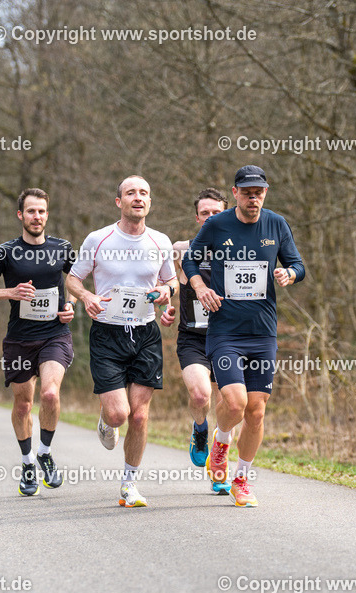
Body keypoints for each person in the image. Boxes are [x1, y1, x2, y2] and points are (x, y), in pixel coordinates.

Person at [182, 165, 306, 507]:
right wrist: (200, 287)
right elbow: (191, 259)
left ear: (265, 193)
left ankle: (242, 480)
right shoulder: (216, 224)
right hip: (225, 329)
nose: (254, 198)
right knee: (234, 402)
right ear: (234, 193)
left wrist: (289, 274)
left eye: (259, 192)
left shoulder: (276, 224)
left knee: (256, 411)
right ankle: (220, 443)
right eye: (247, 192)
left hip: (263, 331)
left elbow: (298, 264)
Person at [66, 175, 178, 508]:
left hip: (145, 333)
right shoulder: (98, 239)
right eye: (131, 193)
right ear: (119, 202)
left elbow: (172, 282)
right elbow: (73, 278)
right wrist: (86, 296)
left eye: (144, 193)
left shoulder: (160, 241)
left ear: (150, 202)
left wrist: (165, 293)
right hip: (107, 333)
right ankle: (106, 418)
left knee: (140, 416)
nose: (138, 198)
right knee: (119, 416)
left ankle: (129, 484)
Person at [0, 188, 76, 497]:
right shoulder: (5, 252)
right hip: (19, 339)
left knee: (50, 394)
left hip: (55, 335)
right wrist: (10, 292)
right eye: (31, 211)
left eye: (41, 211)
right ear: (21, 215)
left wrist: (70, 305)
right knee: (23, 404)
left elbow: (75, 281)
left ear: (47, 214)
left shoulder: (62, 248)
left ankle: (44, 452)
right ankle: (28, 463)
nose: (36, 217)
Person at [172, 188, 229, 493]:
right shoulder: (181, 249)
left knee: (229, 407)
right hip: (193, 338)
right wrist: (167, 306)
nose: (210, 217)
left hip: (229, 339)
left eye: (216, 212)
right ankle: (200, 430)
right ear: (197, 217)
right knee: (199, 396)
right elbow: (164, 281)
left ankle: (218, 471)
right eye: (205, 213)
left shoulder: (239, 249)